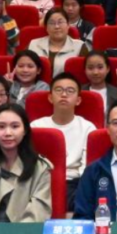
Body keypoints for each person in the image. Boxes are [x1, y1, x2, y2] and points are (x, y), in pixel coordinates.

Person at [32, 73, 97, 213]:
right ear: (50, 97)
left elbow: (87, 167)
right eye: (59, 90)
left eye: (70, 91)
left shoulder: (88, 128)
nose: (64, 94)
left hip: (73, 182)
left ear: (78, 100)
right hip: (42, 180)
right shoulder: (36, 126)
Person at [29, 9, 89, 76]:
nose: (57, 27)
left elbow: (85, 74)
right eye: (52, 23)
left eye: (60, 22)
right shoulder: (33, 44)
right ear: (46, 27)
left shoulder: (79, 46)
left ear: (68, 25)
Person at [81, 50, 117, 124]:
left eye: (100, 67)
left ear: (107, 69)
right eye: (90, 68)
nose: (95, 72)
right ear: (85, 70)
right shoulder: (79, 92)